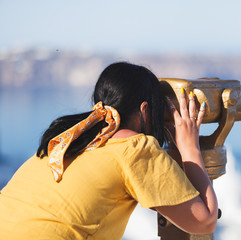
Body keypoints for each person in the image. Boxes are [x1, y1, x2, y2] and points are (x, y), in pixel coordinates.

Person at [0, 62, 218, 239]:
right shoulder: (134, 148)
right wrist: (190, 148)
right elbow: (204, 221)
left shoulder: (65, 139)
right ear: (145, 110)